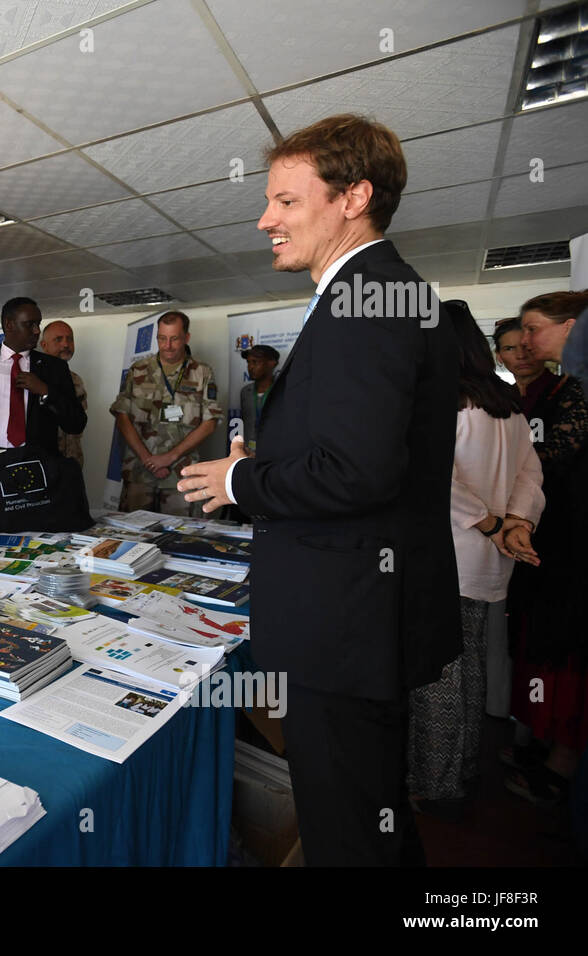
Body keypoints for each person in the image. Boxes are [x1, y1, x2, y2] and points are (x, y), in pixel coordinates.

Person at [178, 113, 462, 866]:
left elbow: (358, 473)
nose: (265, 218)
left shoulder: (365, 300)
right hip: (362, 619)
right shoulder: (381, 293)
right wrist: (272, 456)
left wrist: (238, 477)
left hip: (345, 631)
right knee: (372, 818)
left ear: (353, 197)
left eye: (286, 201)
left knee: (348, 835)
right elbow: (359, 447)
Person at [407, 303, 543, 815]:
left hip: (451, 556)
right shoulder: (505, 400)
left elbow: (432, 477)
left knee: (438, 675)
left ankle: (437, 784)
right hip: (490, 557)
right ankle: (460, 768)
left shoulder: (439, 399)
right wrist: (516, 522)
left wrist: (490, 523)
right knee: (469, 670)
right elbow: (531, 473)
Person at [503, 296, 588, 804]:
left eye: (533, 332)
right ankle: (538, 737)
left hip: (566, 538)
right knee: (531, 638)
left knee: (563, 644)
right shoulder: (509, 398)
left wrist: (500, 467)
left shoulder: (572, 392)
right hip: (529, 537)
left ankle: (562, 759)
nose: (527, 346)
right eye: (515, 341)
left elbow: (554, 457)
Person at [0, 297, 86, 535]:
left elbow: (76, 423)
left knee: (33, 544)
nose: (36, 331)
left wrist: (46, 391)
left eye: (38, 324)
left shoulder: (53, 368)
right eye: (29, 324)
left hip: (36, 478)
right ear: (9, 325)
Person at [110, 311, 220, 516]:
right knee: (134, 536)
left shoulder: (202, 372)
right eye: (162, 338)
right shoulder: (139, 370)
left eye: (174, 338)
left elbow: (210, 422)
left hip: (182, 475)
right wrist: (148, 460)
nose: (167, 345)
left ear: (186, 337)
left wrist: (169, 458)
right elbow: (122, 416)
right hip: (139, 474)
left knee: (180, 538)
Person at [39, 320, 87, 469]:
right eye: (58, 339)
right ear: (44, 345)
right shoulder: (35, 379)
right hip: (43, 464)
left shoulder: (76, 380)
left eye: (70, 339)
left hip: (71, 464)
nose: (66, 344)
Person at [238, 344, 278, 453]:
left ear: (272, 363)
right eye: (248, 362)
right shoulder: (245, 392)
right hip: (249, 452)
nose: (250, 367)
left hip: (275, 453)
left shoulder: (282, 391)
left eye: (255, 362)